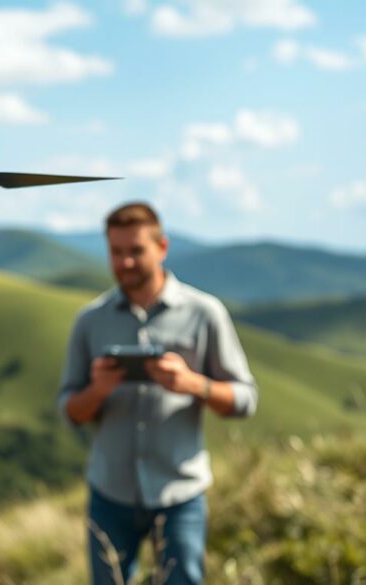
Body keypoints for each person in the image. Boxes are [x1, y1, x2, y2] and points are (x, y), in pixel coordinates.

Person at [57, 202, 257, 585]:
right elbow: (69, 411)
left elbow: (246, 399)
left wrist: (193, 384)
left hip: (180, 494)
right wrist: (97, 391)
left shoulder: (205, 313)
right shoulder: (90, 321)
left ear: (162, 247)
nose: (125, 262)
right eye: (116, 252)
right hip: (109, 494)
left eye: (136, 251)